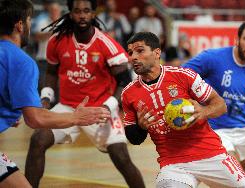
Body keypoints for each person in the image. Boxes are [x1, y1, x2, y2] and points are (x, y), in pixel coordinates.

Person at [24, 0, 145, 188]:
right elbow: (50, 72)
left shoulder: (106, 44)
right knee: (38, 140)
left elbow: (124, 82)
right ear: (70, 14)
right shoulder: (56, 40)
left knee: (120, 156)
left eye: (87, 11)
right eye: (77, 11)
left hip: (100, 108)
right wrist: (46, 99)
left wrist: (108, 107)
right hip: (68, 107)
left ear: (93, 14)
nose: (82, 15)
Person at [0, 0, 111, 187]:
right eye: (28, 20)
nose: (29, 25)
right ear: (20, 25)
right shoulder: (21, 61)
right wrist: (76, 117)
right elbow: (35, 120)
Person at [122, 31, 245, 188]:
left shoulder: (183, 76)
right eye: (130, 53)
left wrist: (203, 112)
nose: (133, 57)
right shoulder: (128, 93)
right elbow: (133, 139)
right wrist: (140, 128)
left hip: (211, 154)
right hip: (173, 164)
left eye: (140, 50)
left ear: (157, 53)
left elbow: (221, 105)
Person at [182, 21, 245, 178]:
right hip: (215, 128)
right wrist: (192, 100)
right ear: (237, 40)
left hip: (243, 129)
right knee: (235, 172)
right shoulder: (213, 58)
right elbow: (182, 74)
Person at [32, 0, 62, 91]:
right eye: (52, 10)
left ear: (60, 11)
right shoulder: (42, 21)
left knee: (58, 89)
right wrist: (52, 32)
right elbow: (36, 36)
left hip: (60, 61)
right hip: (44, 60)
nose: (54, 12)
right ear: (48, 11)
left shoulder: (65, 23)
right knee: (43, 87)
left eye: (56, 10)